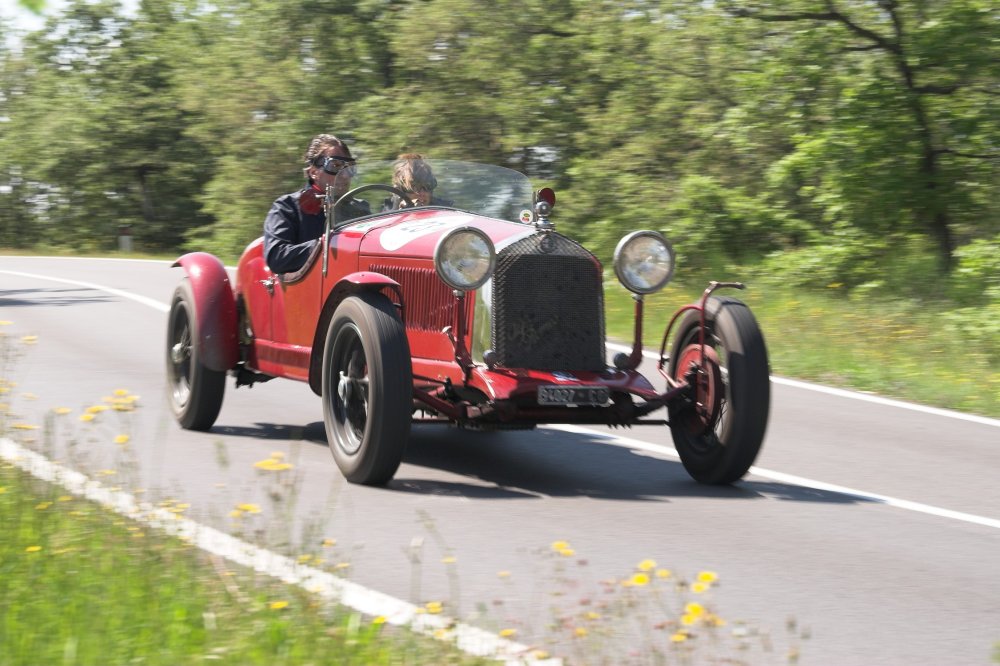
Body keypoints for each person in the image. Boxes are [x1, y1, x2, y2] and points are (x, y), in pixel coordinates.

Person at [263, 134, 370, 274]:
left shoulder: (360, 209)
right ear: (314, 172)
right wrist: (325, 246)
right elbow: (277, 257)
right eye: (336, 166)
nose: (345, 175)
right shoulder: (286, 207)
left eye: (349, 168)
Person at [382, 153, 452, 210]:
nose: (422, 193)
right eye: (414, 187)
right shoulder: (385, 217)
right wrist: (398, 211)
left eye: (427, 186)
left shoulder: (446, 211)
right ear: (399, 190)